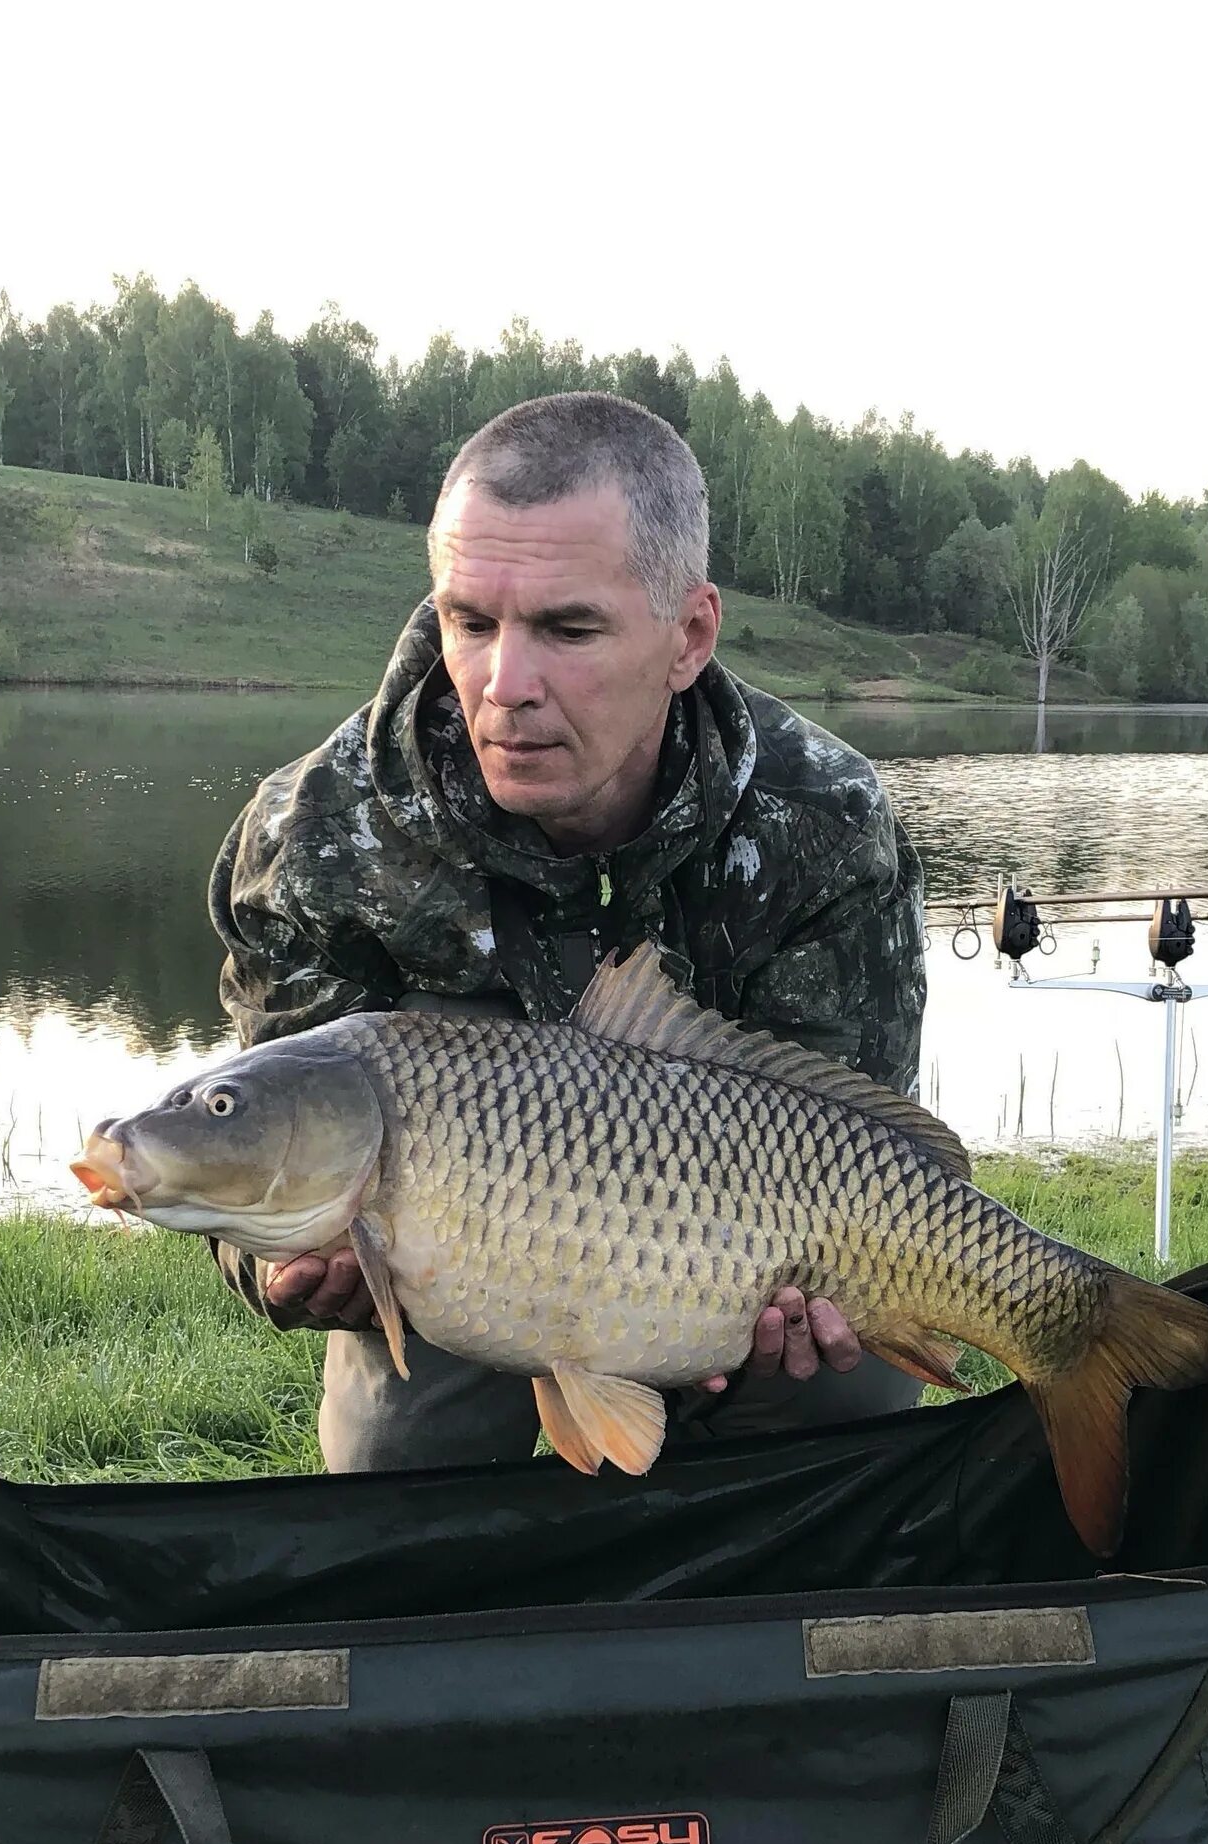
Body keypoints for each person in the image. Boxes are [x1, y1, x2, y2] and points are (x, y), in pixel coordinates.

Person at [208, 390, 931, 1471]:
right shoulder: (314, 831)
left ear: (688, 635)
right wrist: (269, 1268)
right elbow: (255, 1145)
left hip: (734, 1248)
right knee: (392, 1453)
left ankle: (746, 1594)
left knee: (854, 1373)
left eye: (568, 628)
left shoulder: (821, 820)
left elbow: (857, 1135)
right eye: (470, 621)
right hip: (454, 1268)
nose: (505, 687)